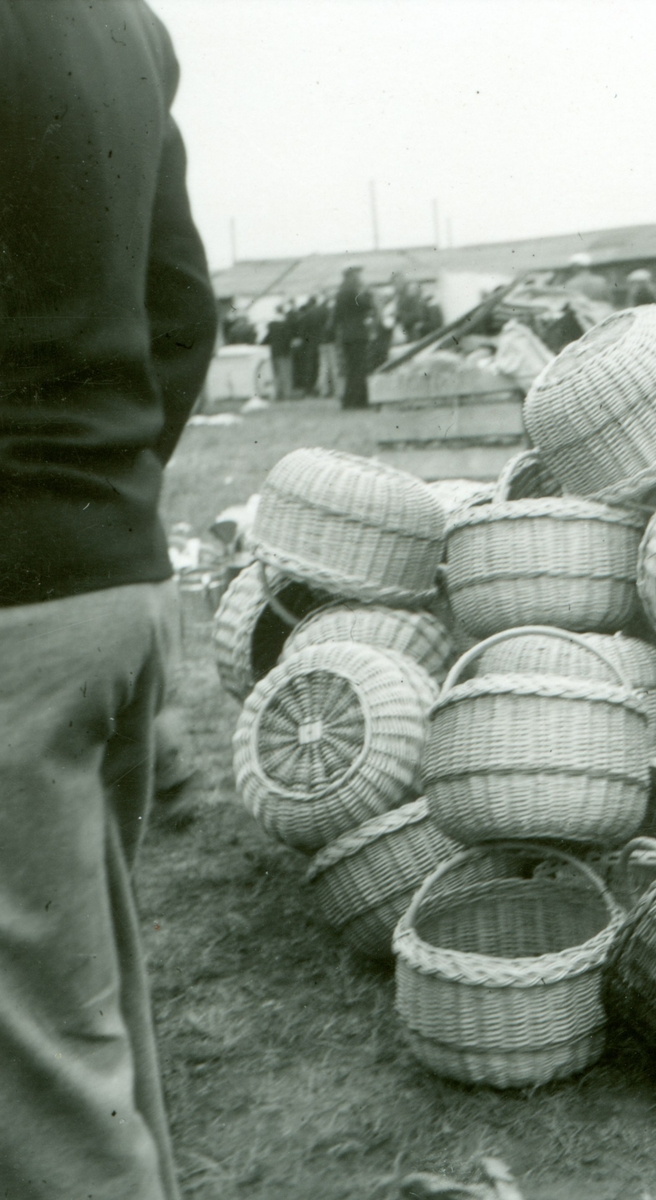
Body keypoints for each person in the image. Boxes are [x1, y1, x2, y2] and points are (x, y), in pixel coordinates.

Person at [0, 4, 217, 1198]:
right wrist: (107, 494)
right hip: (111, 585)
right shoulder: (125, 19)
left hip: (13, 616)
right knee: (90, 1029)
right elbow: (181, 310)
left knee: (39, 1101)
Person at [332, 266, 377, 410]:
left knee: (351, 369)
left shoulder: (340, 293)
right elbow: (366, 305)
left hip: (346, 336)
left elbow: (336, 316)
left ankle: (349, 401)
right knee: (360, 368)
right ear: (353, 276)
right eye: (358, 274)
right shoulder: (354, 291)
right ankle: (359, 401)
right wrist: (368, 294)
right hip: (358, 334)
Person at [264, 302, 297, 399]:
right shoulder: (285, 324)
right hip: (284, 351)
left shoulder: (271, 324)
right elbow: (287, 338)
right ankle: (287, 394)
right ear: (282, 311)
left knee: (276, 374)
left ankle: (277, 393)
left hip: (274, 351)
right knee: (286, 373)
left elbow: (267, 338)